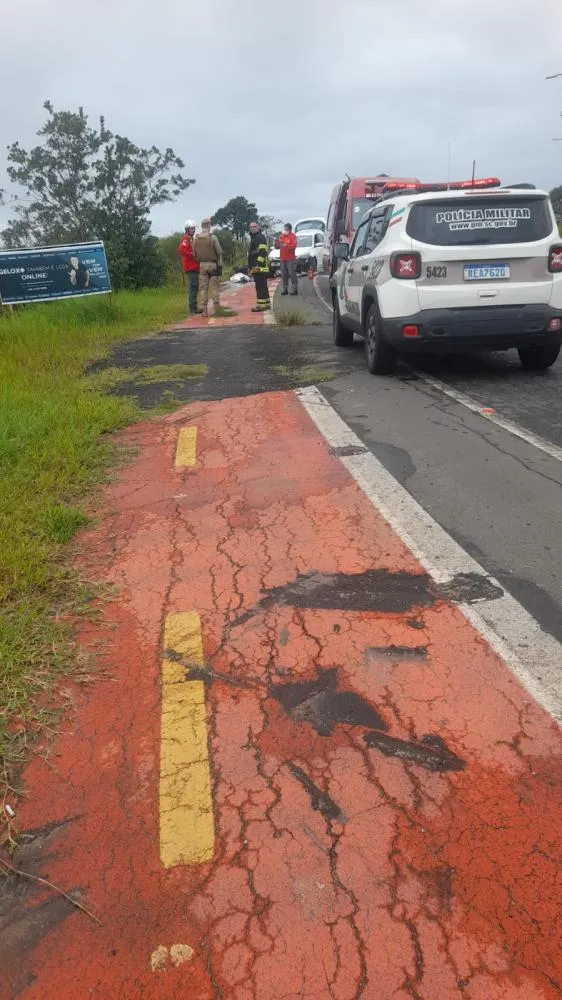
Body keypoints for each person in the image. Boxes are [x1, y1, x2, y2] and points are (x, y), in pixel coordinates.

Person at [193, 219, 223, 317]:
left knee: (203, 289)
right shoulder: (213, 237)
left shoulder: (196, 238)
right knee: (214, 288)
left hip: (202, 265)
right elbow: (219, 251)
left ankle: (204, 311)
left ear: (202, 226)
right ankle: (216, 309)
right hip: (213, 265)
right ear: (209, 226)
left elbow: (194, 254)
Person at [178, 220, 200, 314]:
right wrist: (191, 254)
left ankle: (194, 307)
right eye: (192, 228)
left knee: (195, 287)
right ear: (187, 229)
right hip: (190, 267)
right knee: (193, 287)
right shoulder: (186, 238)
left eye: (194, 228)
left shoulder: (191, 238)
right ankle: (192, 309)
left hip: (194, 266)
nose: (193, 230)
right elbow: (181, 249)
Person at [248, 220, 270, 312]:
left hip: (259, 267)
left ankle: (261, 306)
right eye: (251, 227)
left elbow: (263, 252)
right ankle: (266, 304)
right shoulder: (254, 238)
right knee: (262, 286)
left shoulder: (260, 238)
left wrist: (257, 264)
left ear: (258, 227)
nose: (252, 228)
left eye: (254, 226)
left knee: (260, 287)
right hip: (256, 267)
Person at [276, 223, 298, 296]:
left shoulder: (293, 236)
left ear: (290, 230)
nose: (285, 231)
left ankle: (294, 289)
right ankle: (285, 289)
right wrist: (277, 241)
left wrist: (286, 245)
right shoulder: (281, 236)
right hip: (282, 258)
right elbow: (277, 246)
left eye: (286, 229)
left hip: (290, 258)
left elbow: (293, 246)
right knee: (284, 274)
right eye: (284, 229)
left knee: (292, 273)